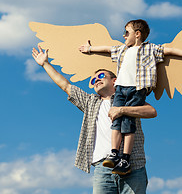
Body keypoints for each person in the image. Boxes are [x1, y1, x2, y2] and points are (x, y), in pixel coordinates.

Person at [79, 19, 182, 175]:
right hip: (120, 89)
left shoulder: (150, 49)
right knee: (116, 120)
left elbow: (170, 51)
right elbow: (107, 49)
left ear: (137, 34)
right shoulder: (122, 50)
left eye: (127, 32)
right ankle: (114, 153)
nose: (123, 35)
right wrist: (90, 49)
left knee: (128, 122)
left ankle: (125, 158)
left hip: (137, 89)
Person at [32, 43, 157, 194]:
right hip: (103, 166)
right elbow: (66, 86)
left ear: (115, 81)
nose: (96, 80)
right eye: (93, 80)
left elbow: (151, 111)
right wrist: (45, 64)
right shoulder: (90, 102)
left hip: (132, 165)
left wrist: (122, 110)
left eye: (101, 76)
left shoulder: (127, 99)